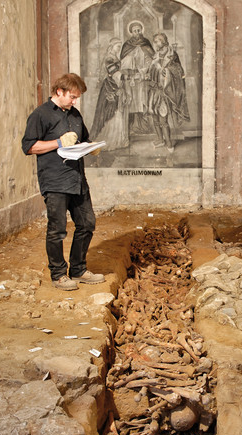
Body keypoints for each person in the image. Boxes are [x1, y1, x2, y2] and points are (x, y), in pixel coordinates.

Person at [22, 73, 105, 291]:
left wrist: (91, 147)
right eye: (73, 96)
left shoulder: (75, 115)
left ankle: (78, 269)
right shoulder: (40, 115)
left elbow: (83, 140)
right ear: (60, 92)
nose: (75, 101)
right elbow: (29, 147)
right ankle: (58, 274)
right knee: (57, 229)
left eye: (77, 97)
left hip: (77, 179)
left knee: (87, 224)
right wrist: (57, 142)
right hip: (55, 180)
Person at [146, 32, 190, 152]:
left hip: (165, 92)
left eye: (157, 41)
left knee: (163, 119)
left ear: (163, 41)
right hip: (154, 90)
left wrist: (167, 71)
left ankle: (169, 143)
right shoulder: (156, 55)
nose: (155, 43)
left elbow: (179, 70)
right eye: (154, 41)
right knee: (155, 118)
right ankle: (160, 139)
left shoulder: (172, 54)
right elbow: (152, 71)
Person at [91, 38, 129, 150]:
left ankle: (118, 139)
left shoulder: (114, 57)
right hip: (110, 87)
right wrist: (129, 76)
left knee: (117, 110)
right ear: (112, 47)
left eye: (120, 46)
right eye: (118, 46)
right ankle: (110, 139)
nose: (119, 48)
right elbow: (114, 73)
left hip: (116, 85)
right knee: (110, 111)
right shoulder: (109, 58)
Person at [120, 21, 155, 135]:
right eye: (134, 31)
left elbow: (151, 59)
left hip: (142, 78)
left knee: (142, 101)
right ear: (131, 32)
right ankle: (131, 127)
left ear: (141, 31)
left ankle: (143, 126)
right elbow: (123, 62)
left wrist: (144, 70)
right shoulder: (127, 45)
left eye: (139, 30)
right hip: (131, 79)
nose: (137, 33)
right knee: (132, 102)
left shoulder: (146, 43)